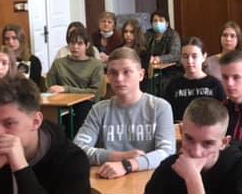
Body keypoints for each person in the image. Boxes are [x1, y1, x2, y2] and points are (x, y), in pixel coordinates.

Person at [73, 47, 175, 178]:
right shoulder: (99, 110)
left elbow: (167, 152)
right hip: (108, 180)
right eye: (113, 73)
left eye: (127, 72)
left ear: (141, 75)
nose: (119, 79)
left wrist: (128, 165)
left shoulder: (160, 107)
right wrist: (120, 157)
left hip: (149, 180)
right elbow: (78, 149)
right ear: (107, 76)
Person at [163, 37, 225, 122]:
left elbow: (223, 115)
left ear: (204, 57)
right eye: (185, 56)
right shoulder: (173, 85)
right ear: (180, 58)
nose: (190, 61)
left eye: (194, 56)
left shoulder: (215, 84)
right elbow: (167, 114)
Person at [46, 25, 105, 106]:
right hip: (62, 103)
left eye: (80, 44)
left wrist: (66, 89)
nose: (75, 47)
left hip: (85, 103)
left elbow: (95, 92)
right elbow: (51, 87)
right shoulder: (58, 64)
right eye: (72, 43)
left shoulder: (96, 65)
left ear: (87, 45)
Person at [2, 24, 43, 88]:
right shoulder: (0, 60)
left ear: (21, 39)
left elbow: (34, 86)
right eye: (7, 39)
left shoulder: (33, 61)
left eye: (14, 38)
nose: (10, 42)